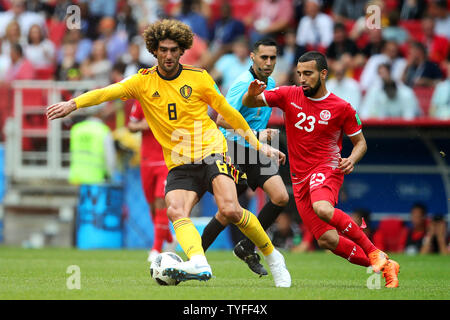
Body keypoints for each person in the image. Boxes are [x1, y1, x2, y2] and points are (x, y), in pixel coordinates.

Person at [46, 19, 290, 287]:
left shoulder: (198, 78)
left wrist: (258, 145)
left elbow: (229, 114)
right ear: (154, 50)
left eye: (174, 49)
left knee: (231, 209)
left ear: (182, 50)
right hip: (179, 162)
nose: (169, 55)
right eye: (163, 49)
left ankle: (273, 257)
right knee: (175, 210)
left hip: (212, 152)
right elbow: (107, 92)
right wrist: (73, 103)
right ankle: (198, 261)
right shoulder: (143, 82)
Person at [242, 51, 400, 288]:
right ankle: (385, 264)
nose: (302, 78)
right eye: (299, 74)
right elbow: (250, 103)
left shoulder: (341, 107)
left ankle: (373, 251)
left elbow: (361, 143)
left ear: (323, 74)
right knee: (326, 239)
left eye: (308, 73)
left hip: (327, 168)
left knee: (322, 208)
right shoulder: (288, 94)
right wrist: (250, 95)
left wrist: (352, 159)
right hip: (299, 179)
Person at [201, 38, 289, 277]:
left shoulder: (270, 83)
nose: (269, 62)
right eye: (264, 57)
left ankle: (246, 245)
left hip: (256, 149)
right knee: (228, 210)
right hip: (232, 149)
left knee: (280, 197)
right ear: (253, 57)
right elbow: (221, 120)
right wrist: (259, 135)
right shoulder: (242, 84)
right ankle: (195, 256)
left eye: (273, 58)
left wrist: (263, 141)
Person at [128, 101, 176, 262]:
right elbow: (131, 126)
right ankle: (169, 239)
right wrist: (145, 124)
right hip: (146, 160)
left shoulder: (171, 99)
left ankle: (156, 249)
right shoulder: (142, 101)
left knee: (160, 202)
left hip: (166, 160)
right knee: (153, 207)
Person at [68, 108, 116, 185]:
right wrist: (111, 175)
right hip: (96, 179)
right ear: (99, 112)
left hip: (77, 178)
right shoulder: (103, 130)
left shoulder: (76, 129)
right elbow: (110, 158)